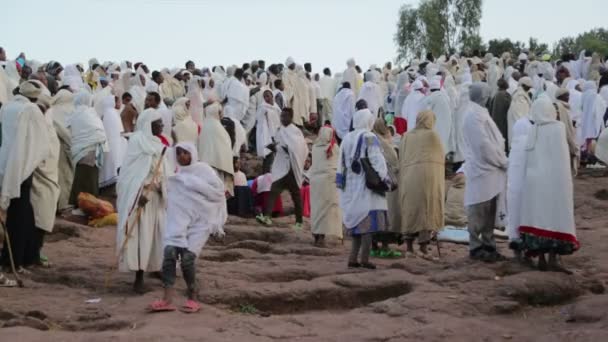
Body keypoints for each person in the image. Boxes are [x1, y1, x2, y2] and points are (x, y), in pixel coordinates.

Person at [147, 142, 226, 313]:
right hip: (177, 222)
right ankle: (167, 299)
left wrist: (192, 183)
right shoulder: (176, 176)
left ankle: (193, 297)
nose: (182, 156)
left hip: (200, 223)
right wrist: (155, 188)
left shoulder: (204, 170)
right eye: (179, 153)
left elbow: (218, 192)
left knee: (188, 259)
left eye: (185, 153)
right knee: (169, 255)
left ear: (193, 154)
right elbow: (170, 194)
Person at [515, 95, 579, 273]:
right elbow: (562, 160)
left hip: (534, 182)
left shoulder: (533, 129)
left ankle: (542, 259)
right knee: (554, 217)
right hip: (554, 181)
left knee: (538, 217)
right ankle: (553, 260)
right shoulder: (558, 128)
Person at [0, 81, 51, 276]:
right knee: (18, 218)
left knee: (22, 215)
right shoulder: (31, 110)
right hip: (22, 168)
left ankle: (27, 256)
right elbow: (39, 142)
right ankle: (14, 262)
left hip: (5, 165)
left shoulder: (7, 107)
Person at [117, 108, 168, 293]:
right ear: (149, 125)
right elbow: (130, 176)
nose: (162, 125)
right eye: (158, 123)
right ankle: (138, 277)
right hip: (141, 199)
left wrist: (162, 187)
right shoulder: (138, 142)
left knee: (158, 235)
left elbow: (165, 172)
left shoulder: (160, 145)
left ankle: (156, 267)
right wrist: (139, 194)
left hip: (157, 198)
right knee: (140, 236)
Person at [337, 108, 388, 269]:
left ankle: (353, 258)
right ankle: (365, 259)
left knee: (356, 227)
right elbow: (377, 161)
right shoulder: (369, 137)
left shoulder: (346, 138)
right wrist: (383, 178)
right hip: (366, 187)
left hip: (350, 189)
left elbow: (340, 164)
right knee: (367, 227)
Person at [462, 83, 508, 262]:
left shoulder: (479, 112)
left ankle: (489, 246)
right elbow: (483, 146)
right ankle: (475, 247)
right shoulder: (473, 115)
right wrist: (501, 160)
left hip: (491, 169)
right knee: (478, 210)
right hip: (482, 168)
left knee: (490, 211)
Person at [399, 110, 445, 259]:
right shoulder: (432, 136)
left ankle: (410, 248)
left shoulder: (406, 136)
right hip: (427, 181)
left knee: (411, 211)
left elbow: (402, 158)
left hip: (408, 179)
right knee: (426, 211)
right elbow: (440, 159)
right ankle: (423, 248)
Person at [256, 108, 308, 230]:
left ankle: (299, 222)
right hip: (281, 168)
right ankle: (267, 217)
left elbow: (298, 149)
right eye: (282, 116)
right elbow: (280, 147)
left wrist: (280, 147)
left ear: (291, 117)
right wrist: (273, 147)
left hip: (291, 168)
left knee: (296, 196)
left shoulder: (295, 132)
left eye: (285, 116)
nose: (283, 119)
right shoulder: (280, 131)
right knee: (273, 190)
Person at [68, 91, 107, 206]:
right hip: (91, 150)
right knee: (88, 178)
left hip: (82, 149)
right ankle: (87, 205)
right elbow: (99, 133)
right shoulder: (90, 113)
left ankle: (82, 204)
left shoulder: (76, 113)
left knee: (82, 178)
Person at [371, 118, 402, 257]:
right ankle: (385, 248)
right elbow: (394, 165)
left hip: (372, 186)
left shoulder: (370, 140)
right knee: (386, 216)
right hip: (386, 187)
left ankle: (373, 247)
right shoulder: (385, 145)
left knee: (374, 216)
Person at [310, 125, 343, 247]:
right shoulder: (334, 147)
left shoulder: (314, 147)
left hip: (315, 182)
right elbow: (340, 163)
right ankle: (330, 235)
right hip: (329, 182)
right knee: (330, 210)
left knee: (317, 210)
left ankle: (317, 236)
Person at [198, 103, 234, 196]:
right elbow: (226, 149)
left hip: (204, 167)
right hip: (218, 167)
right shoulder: (219, 128)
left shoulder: (203, 127)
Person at [47, 89, 75, 211]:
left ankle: (53, 205)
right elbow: (70, 133)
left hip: (52, 149)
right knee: (66, 176)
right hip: (64, 148)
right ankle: (64, 204)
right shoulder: (70, 111)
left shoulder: (51, 111)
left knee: (55, 176)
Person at [99, 95, 127, 187]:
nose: (119, 103)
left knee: (108, 163)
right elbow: (120, 131)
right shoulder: (113, 113)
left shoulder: (105, 113)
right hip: (115, 143)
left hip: (107, 143)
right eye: (118, 101)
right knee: (115, 162)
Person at [554, 89, 580, 175]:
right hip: (561, 135)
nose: (568, 98)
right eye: (566, 95)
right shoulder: (557, 106)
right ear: (560, 96)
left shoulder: (564, 106)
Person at [424, 78, 452, 154]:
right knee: (444, 142)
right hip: (447, 123)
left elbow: (427, 112)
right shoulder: (445, 96)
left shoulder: (430, 98)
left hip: (436, 124)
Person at [256, 89, 281, 171]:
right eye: (264, 96)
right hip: (267, 135)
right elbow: (262, 122)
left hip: (277, 133)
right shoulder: (263, 107)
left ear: (272, 96)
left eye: (268, 95)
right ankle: (265, 174)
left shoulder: (276, 107)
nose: (266, 98)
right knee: (268, 155)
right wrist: (271, 135)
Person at [507, 77, 533, 145]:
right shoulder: (520, 96)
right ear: (523, 85)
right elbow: (520, 115)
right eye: (528, 87)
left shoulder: (521, 94)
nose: (529, 89)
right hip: (519, 127)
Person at [490, 79, 511, 152]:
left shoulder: (496, 94)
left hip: (494, 119)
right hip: (503, 120)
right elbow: (509, 106)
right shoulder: (505, 95)